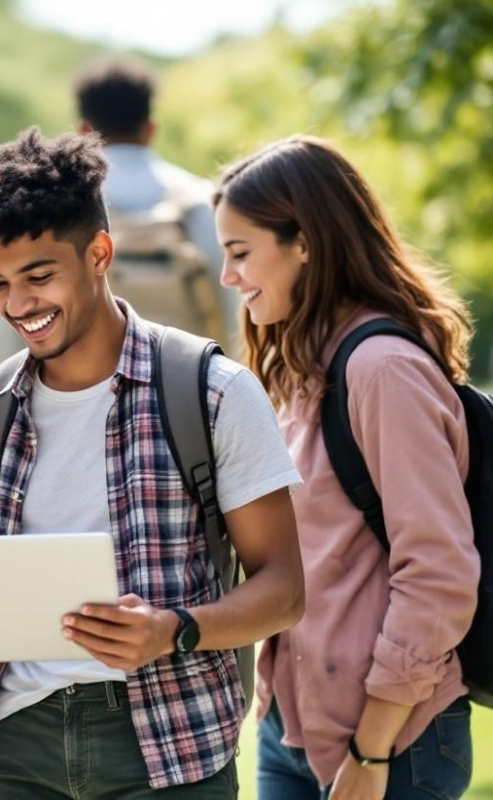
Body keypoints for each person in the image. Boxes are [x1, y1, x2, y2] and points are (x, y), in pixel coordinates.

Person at [0, 127, 305, 799]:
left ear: (99, 254)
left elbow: (283, 590)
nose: (18, 305)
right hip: (12, 744)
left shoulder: (213, 391)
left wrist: (173, 630)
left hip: (173, 746)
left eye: (39, 277)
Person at [214, 135, 478, 800]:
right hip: (293, 730)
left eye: (240, 252)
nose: (227, 277)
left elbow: (439, 571)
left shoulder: (383, 371)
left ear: (303, 242)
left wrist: (372, 749)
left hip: (395, 742)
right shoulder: (302, 369)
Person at [0, 57, 232, 377]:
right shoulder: (200, 202)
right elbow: (238, 315)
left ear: (83, 131)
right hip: (191, 390)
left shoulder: (52, 206)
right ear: (150, 129)